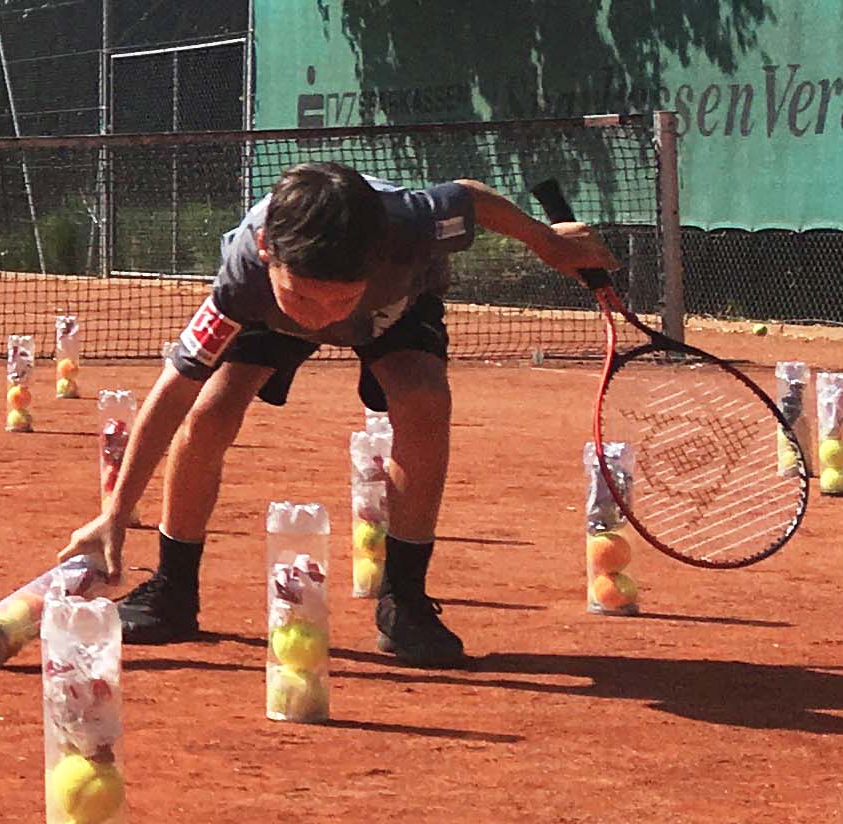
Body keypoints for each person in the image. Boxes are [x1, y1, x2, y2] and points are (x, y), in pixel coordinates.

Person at [51, 161, 616, 668]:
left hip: (393, 305)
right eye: (305, 297)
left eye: (337, 300)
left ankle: (406, 603)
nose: (321, 320)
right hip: (269, 318)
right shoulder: (244, 275)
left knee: (423, 400)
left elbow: (470, 197)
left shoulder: (410, 224)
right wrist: (116, 513)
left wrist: (547, 243)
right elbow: (173, 391)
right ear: (269, 249)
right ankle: (172, 590)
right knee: (210, 412)